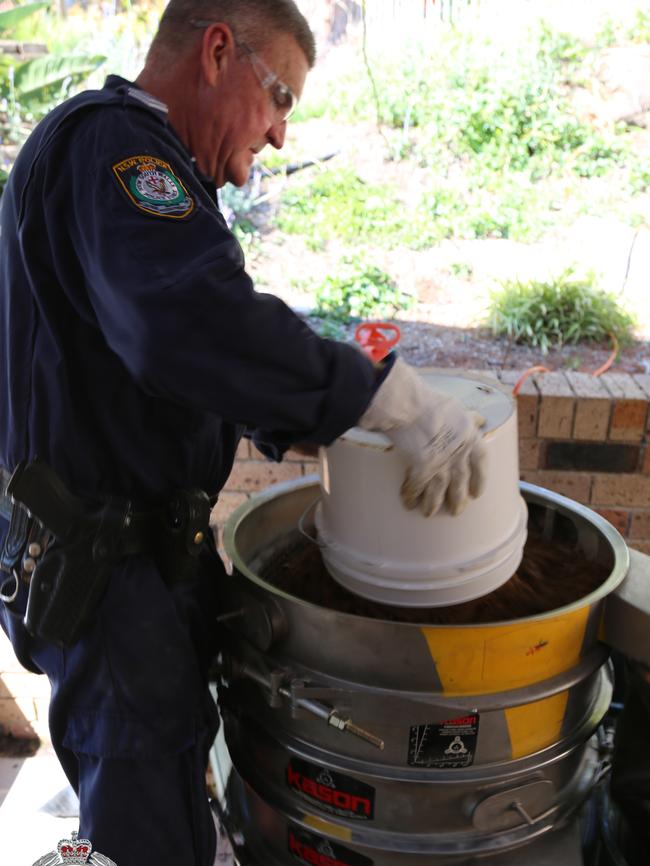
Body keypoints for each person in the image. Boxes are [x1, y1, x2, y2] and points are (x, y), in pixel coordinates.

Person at [0, 1, 485, 864]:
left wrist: (318, 420)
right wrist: (378, 399)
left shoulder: (146, 168)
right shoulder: (117, 148)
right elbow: (182, 324)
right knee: (150, 837)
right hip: (113, 589)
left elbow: (187, 356)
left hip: (137, 576)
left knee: (163, 806)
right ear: (217, 51)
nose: (279, 137)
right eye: (281, 99)